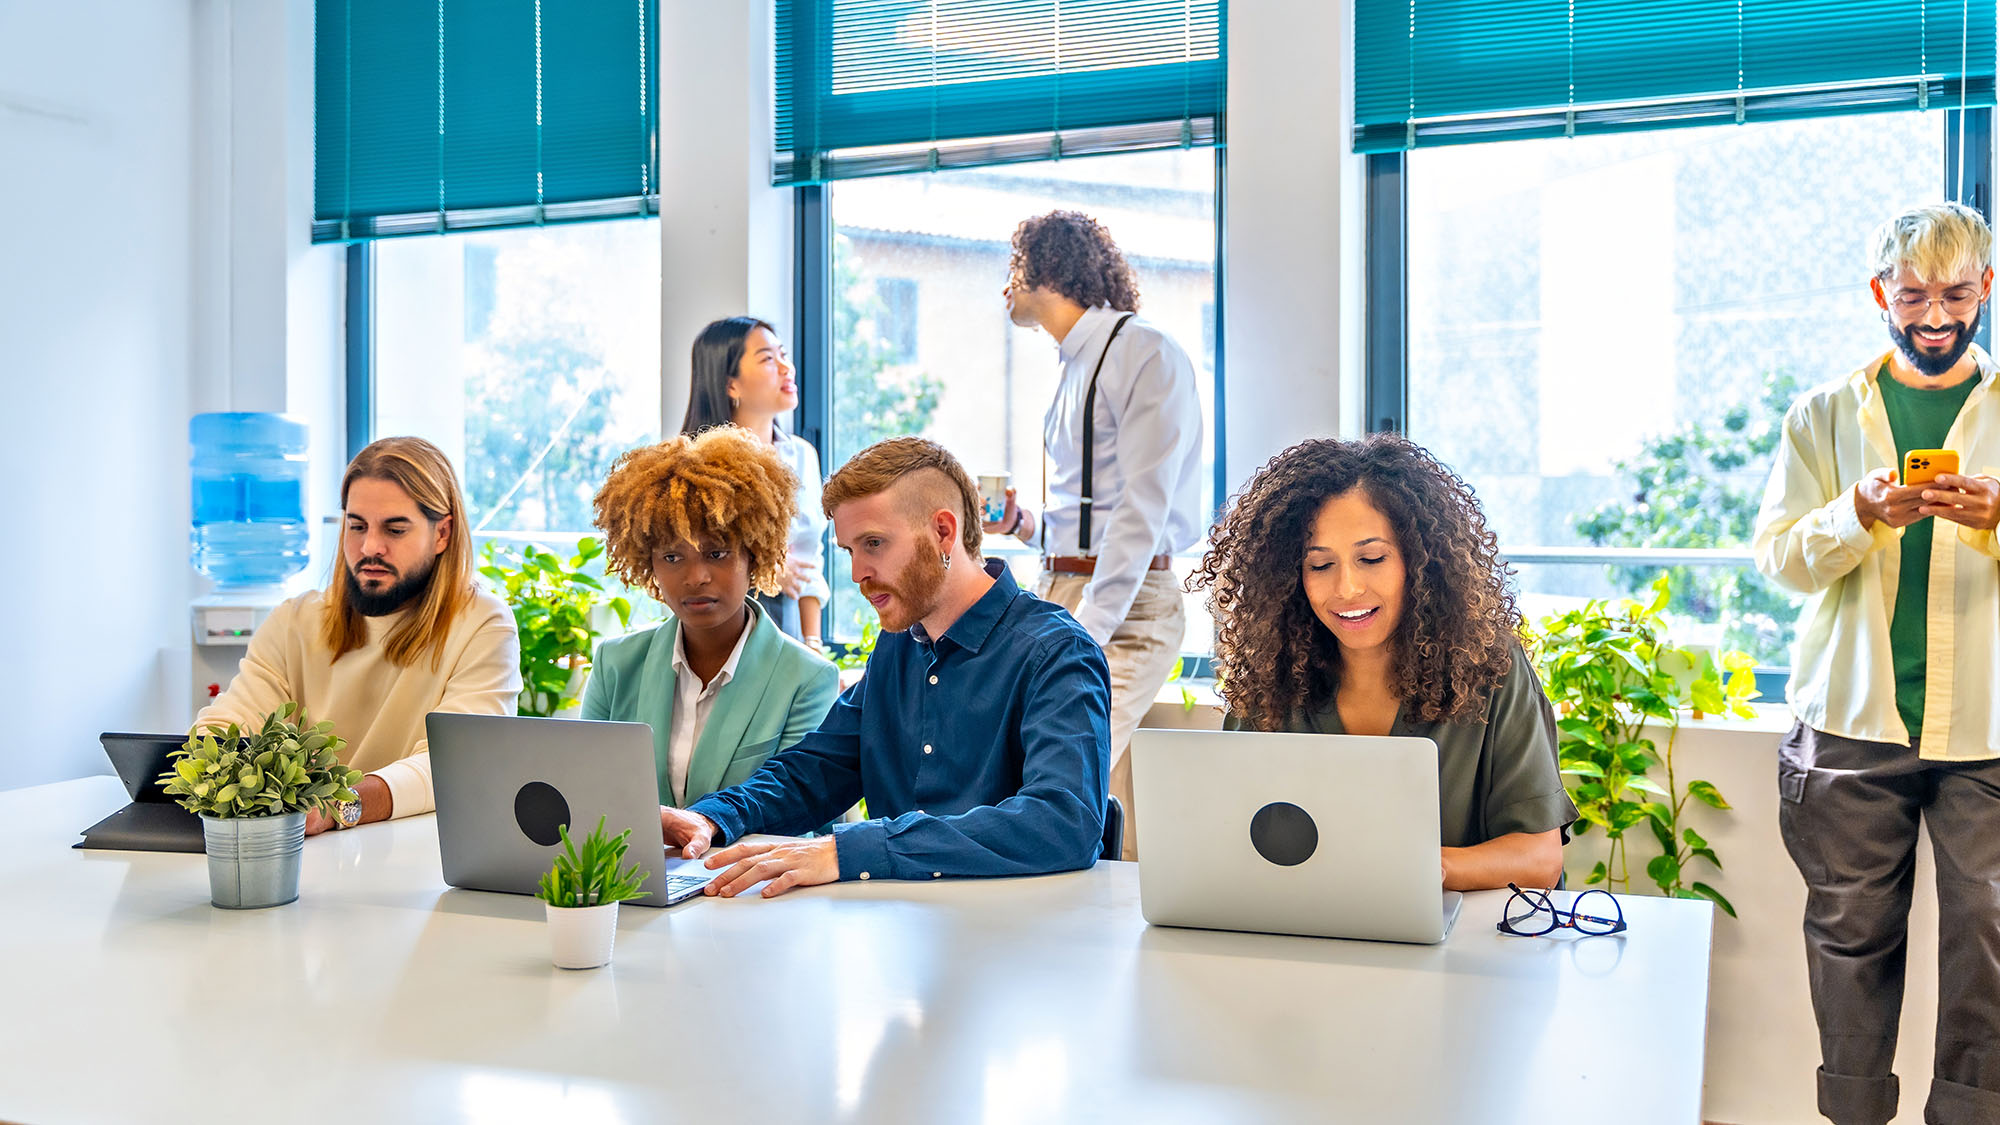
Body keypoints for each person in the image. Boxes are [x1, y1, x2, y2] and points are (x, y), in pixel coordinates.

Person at [1751, 200, 2000, 1125]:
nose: (1935, 316)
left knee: (1989, 940)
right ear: (1879, 296)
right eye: (1913, 296)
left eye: (1956, 294)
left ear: (1987, 288)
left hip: (1989, 728)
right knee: (1850, 940)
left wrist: (1996, 515)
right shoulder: (1820, 415)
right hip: (1849, 728)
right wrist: (1855, 513)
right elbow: (1777, 559)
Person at [659, 437, 1113, 898]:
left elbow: (1063, 821)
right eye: (849, 551)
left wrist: (848, 851)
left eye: (873, 544)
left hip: (1019, 940)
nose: (858, 572)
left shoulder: (1056, 652)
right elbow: (814, 772)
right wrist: (713, 817)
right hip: (900, 934)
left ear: (942, 532)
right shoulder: (898, 646)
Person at [1190, 434, 1574, 892]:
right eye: (1319, 566)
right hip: (1306, 938)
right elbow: (1228, 841)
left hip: (1463, 949)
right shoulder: (1271, 674)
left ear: (1421, 560)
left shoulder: (1489, 665)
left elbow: (1539, 858)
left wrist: (1418, 869)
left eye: (1371, 558)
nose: (1347, 588)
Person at [984, 209, 1205, 861]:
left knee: (1068, 774)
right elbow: (1093, 510)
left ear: (1043, 269)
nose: (1005, 290)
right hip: (1065, 587)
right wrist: (1025, 526)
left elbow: (1143, 505)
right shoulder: (1072, 363)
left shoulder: (1144, 352)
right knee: (1099, 784)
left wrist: (1087, 628)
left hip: (1127, 602)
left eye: (1011, 270)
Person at [193, 437, 521, 834]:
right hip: (304, 856)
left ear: (443, 534)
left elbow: (457, 764)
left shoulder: (483, 626)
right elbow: (230, 723)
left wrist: (337, 806)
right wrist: (206, 765)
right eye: (357, 526)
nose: (370, 547)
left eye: (395, 530)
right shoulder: (294, 621)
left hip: (417, 862)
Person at [580, 426, 841, 809]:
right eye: (672, 557)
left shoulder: (807, 680)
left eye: (717, 553)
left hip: (748, 869)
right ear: (648, 564)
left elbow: (797, 819)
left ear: (754, 555)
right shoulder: (616, 665)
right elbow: (585, 794)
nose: (696, 577)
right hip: (631, 869)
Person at [681, 316, 829, 648]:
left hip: (785, 630)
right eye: (767, 359)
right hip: (713, 633)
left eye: (783, 355)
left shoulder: (801, 455)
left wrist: (813, 644)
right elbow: (687, 563)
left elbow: (808, 560)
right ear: (730, 384)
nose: (786, 368)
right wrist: (763, 567)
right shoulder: (694, 464)